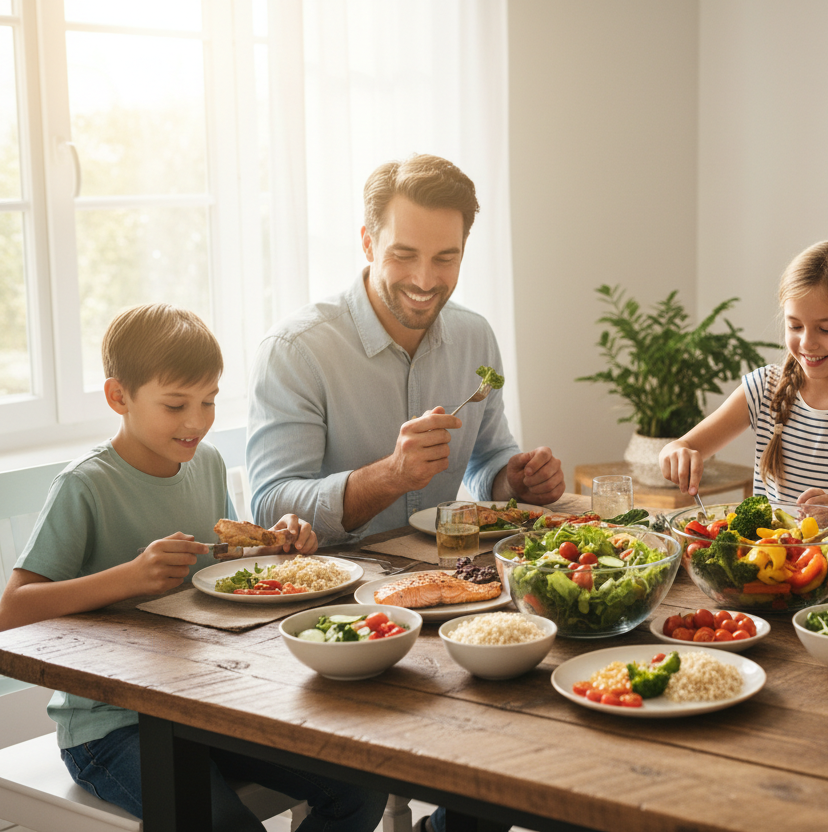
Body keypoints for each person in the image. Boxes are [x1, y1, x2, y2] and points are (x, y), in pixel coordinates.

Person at [0, 304, 387, 830]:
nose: (197, 421)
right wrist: (129, 578)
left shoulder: (202, 463)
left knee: (358, 790)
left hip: (204, 704)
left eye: (208, 401)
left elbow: (226, 559)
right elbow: (12, 611)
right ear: (119, 397)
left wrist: (279, 544)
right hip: (112, 726)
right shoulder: (85, 486)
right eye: (175, 404)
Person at [248, 153, 564, 545]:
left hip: (451, 573)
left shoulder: (475, 337)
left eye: (445, 258)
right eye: (404, 255)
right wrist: (391, 475)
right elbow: (269, 507)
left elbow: (487, 461)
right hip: (337, 590)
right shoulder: (295, 351)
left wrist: (514, 481)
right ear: (368, 243)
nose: (425, 280)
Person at [659, 240, 828, 539]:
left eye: (827, 329)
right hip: (767, 566)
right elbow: (681, 447)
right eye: (795, 326)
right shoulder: (764, 389)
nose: (807, 342)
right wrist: (677, 454)